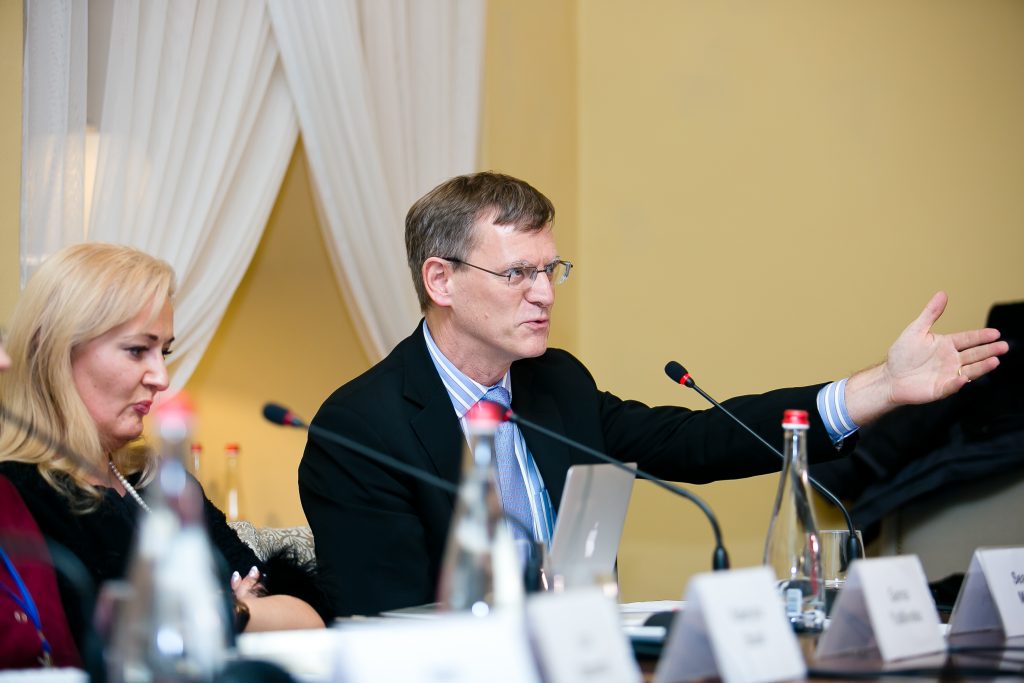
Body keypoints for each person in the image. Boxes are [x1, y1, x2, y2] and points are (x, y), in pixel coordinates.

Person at [299, 172, 1008, 617]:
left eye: (552, 269)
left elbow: (698, 440)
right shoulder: (360, 427)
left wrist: (881, 387)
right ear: (441, 280)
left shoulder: (556, 383)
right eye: (518, 274)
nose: (545, 294)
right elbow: (386, 621)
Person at [0, 243, 328, 651]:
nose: (161, 377)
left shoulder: (156, 479)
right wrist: (228, 608)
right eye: (138, 350)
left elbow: (306, 617)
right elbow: (105, 635)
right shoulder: (18, 495)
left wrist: (221, 613)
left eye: (164, 352)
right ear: (57, 351)